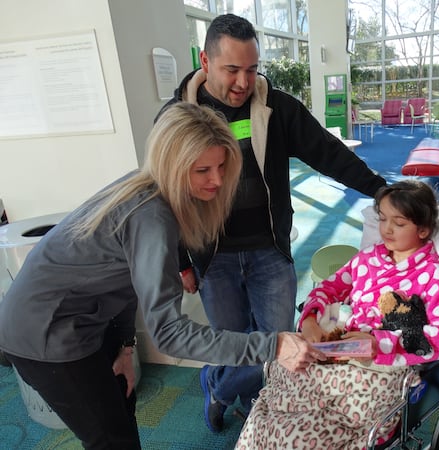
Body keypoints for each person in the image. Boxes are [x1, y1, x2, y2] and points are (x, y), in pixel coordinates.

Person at [0, 103, 325, 450]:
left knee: (121, 409)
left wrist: (125, 347)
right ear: (173, 166)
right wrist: (272, 345)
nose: (216, 180)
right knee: (111, 437)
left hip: (86, 315)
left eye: (221, 166)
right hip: (43, 332)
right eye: (202, 170)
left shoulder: (153, 189)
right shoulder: (151, 215)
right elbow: (170, 333)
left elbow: (122, 280)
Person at [157, 13, 387, 432]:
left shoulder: (277, 107)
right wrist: (180, 260)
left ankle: (221, 388)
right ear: (206, 63)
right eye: (232, 70)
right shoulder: (177, 117)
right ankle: (244, 399)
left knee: (281, 344)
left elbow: (328, 152)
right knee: (232, 343)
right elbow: (166, 194)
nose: (243, 82)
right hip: (213, 256)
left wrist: (379, 190)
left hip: (269, 251)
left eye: (252, 69)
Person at [235, 180, 439, 449]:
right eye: (383, 219)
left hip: (385, 367)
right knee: (280, 381)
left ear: (423, 230)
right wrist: (309, 319)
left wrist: (379, 343)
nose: (387, 229)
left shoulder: (433, 274)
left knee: (300, 433)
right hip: (343, 350)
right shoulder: (367, 259)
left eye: (399, 223)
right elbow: (328, 289)